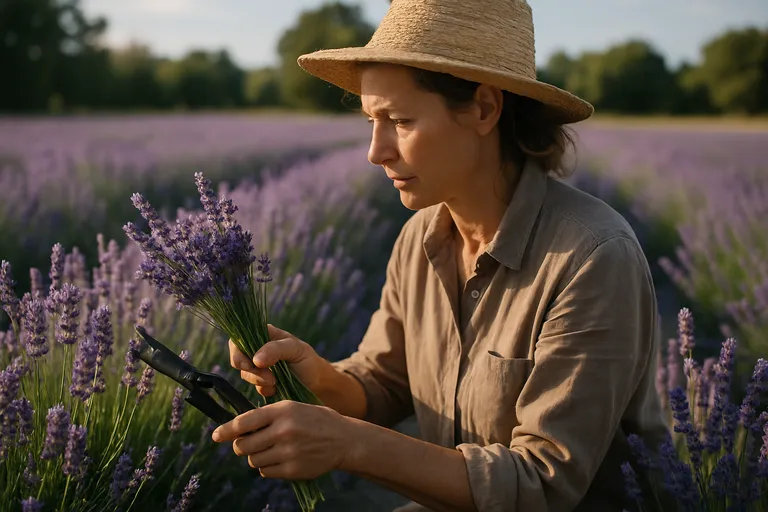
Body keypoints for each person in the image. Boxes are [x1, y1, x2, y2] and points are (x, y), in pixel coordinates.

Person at [210, 0, 671, 510]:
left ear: (484, 109)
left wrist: (348, 444)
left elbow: (541, 484)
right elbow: (384, 385)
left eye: (399, 120)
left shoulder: (591, 257)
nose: (375, 150)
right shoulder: (419, 239)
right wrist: (313, 375)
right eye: (370, 120)